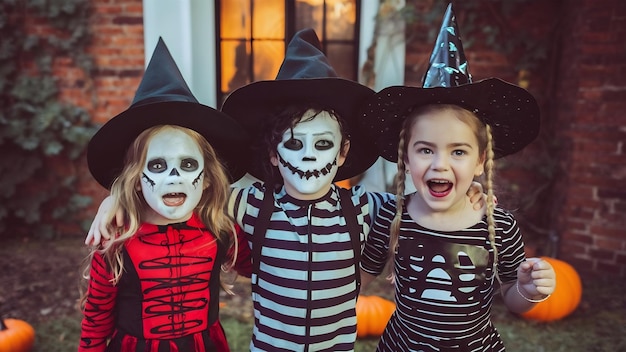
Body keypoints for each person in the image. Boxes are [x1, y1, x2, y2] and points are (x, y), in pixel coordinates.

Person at [85, 29, 484, 352]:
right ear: (273, 155)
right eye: (293, 144)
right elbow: (189, 198)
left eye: (323, 144)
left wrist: (463, 199)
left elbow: (424, 204)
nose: (308, 157)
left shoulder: (365, 207)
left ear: (343, 152)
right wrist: (114, 201)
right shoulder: (247, 205)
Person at [358, 5, 556, 351]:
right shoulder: (392, 216)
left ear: (481, 160)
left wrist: (529, 290)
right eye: (426, 150)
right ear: (406, 155)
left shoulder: (499, 226)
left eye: (458, 152)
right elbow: (358, 279)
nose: (440, 165)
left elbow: (512, 295)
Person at [79, 38, 252, 352]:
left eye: (187, 164)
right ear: (135, 179)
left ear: (208, 179)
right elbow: (96, 317)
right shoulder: (116, 240)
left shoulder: (221, 230)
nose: (174, 177)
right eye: (157, 165)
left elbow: (267, 267)